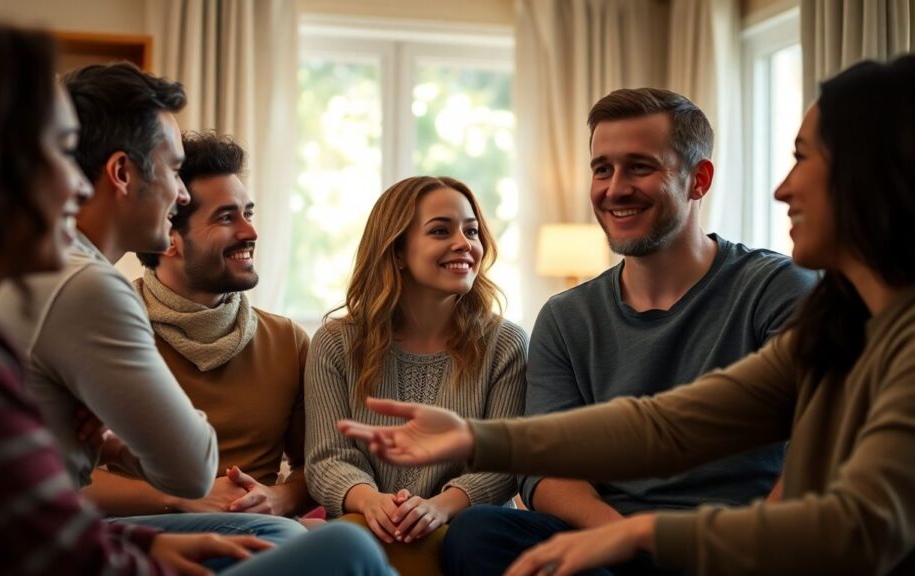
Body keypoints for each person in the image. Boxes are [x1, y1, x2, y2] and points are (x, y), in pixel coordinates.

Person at [340, 55, 915, 576]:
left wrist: (650, 534)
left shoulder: (801, 299)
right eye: (602, 169)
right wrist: (474, 437)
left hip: (743, 547)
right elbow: (663, 427)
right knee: (484, 534)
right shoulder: (840, 320)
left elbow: (862, 527)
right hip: (634, 546)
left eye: (802, 159)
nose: (782, 188)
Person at [0, 8, 393, 576]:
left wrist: (146, 532)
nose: (77, 184)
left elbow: (24, 519)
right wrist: (153, 524)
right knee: (343, 551)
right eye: (60, 151)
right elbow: (169, 482)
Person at [442, 87, 816, 575]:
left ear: (698, 180)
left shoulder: (778, 289)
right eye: (602, 169)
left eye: (640, 167)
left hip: (730, 546)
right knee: (479, 533)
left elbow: (816, 448)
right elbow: (546, 473)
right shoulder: (565, 317)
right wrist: (622, 536)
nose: (614, 188)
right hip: (610, 544)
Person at [0, 63, 308, 554]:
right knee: (335, 550)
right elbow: (192, 466)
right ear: (121, 173)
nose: (179, 193)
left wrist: (116, 443)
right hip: (43, 546)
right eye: (174, 170)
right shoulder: (90, 285)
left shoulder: (41, 267)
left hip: (55, 533)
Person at [82, 131, 314, 520]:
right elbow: (60, 479)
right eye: (227, 217)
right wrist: (184, 498)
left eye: (248, 213)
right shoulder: (105, 329)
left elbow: (317, 467)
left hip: (263, 537)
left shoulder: (287, 341)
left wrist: (280, 500)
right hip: (144, 539)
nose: (250, 232)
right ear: (169, 239)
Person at [305, 176, 528, 574]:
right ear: (397, 251)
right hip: (368, 524)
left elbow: (504, 463)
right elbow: (328, 459)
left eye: (472, 231)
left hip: (472, 537)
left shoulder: (506, 343)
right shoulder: (335, 343)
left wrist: (438, 507)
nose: (465, 243)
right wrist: (373, 502)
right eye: (441, 230)